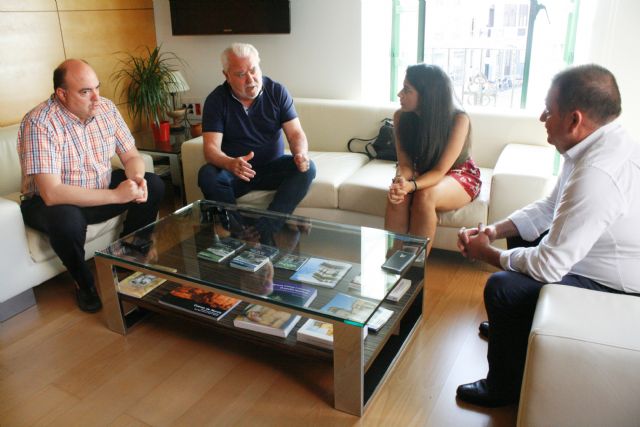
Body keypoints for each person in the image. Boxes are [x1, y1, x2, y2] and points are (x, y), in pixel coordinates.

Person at [456, 64, 640, 407]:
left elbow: (549, 266)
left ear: (574, 119)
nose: (542, 118)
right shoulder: (595, 144)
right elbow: (549, 207)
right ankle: (513, 329)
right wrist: (493, 230)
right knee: (521, 237)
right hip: (591, 254)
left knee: (502, 288)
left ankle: (504, 388)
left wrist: (485, 253)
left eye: (548, 110)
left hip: (616, 286)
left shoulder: (598, 174)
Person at [17, 59, 165, 313]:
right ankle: (84, 283)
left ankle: (130, 255)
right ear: (62, 94)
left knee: (154, 183)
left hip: (99, 189)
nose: (96, 97)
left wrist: (137, 179)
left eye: (97, 87)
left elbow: (131, 156)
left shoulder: (106, 108)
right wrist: (117, 196)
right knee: (66, 219)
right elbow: (52, 193)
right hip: (51, 203)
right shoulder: (40, 122)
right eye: (85, 91)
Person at [198, 43, 316, 242]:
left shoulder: (276, 91)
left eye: (253, 70)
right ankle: (239, 230)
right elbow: (210, 149)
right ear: (226, 75)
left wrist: (300, 154)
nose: (250, 79)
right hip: (237, 171)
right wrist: (229, 163)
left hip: (271, 168)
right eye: (241, 74)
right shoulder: (216, 100)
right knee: (208, 175)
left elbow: (296, 134)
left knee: (308, 169)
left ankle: (265, 229)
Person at [385, 64, 481, 256]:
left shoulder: (458, 119)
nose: (399, 94)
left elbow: (439, 171)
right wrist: (401, 182)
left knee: (425, 195)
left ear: (427, 95)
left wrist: (412, 185)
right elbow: (405, 164)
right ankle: (392, 262)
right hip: (419, 171)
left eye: (407, 90)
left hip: (458, 173)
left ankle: (415, 267)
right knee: (398, 196)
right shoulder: (400, 117)